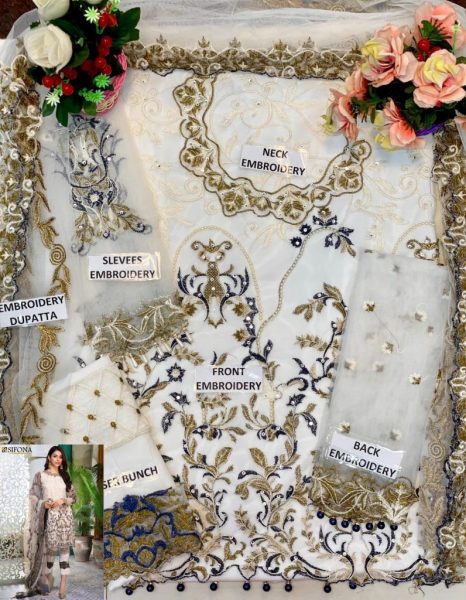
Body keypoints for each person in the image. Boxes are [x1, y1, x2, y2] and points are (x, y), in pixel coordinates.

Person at [19, 446, 76, 599]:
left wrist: (63, 500)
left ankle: (63, 583)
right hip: (49, 517)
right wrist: (43, 503)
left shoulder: (65, 476)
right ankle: (48, 578)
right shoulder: (40, 476)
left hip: (65, 517)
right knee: (50, 549)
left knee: (64, 550)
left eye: (60, 457)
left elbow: (73, 498)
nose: (58, 459)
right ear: (49, 457)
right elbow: (32, 496)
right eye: (55, 456)